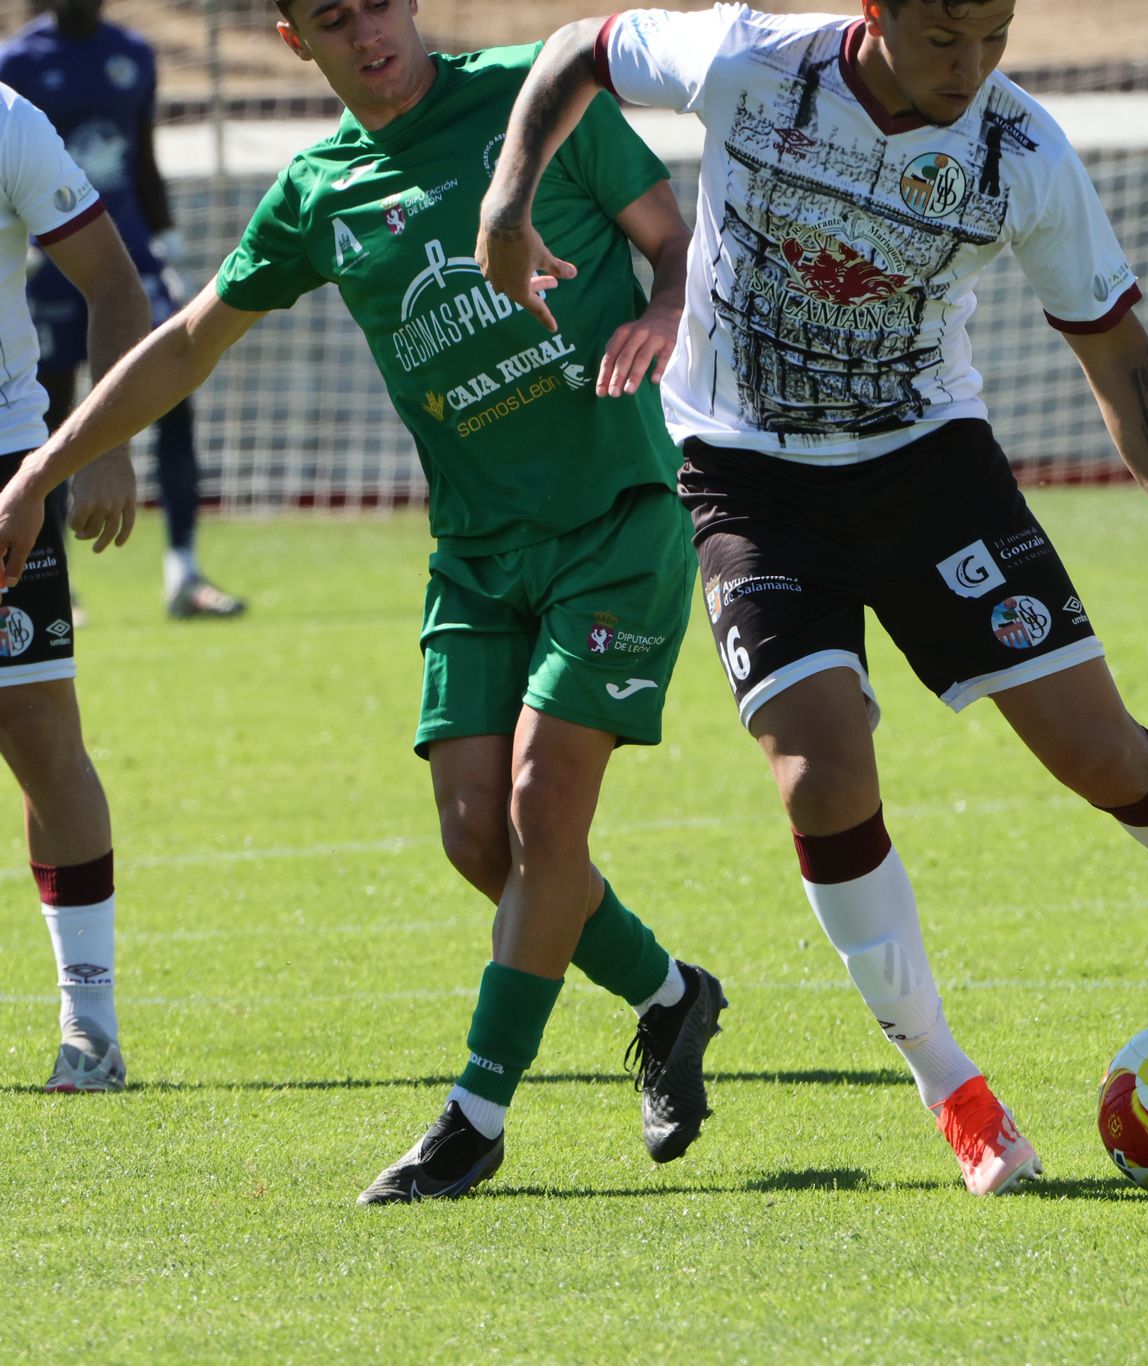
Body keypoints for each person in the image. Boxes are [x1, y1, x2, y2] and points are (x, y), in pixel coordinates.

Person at [479, 0, 1148, 1198]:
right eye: (946, 38)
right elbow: (578, 50)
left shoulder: (1020, 150)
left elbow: (1112, 347)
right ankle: (950, 1085)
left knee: (1099, 751)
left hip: (928, 470)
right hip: (750, 480)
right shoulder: (748, 62)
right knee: (820, 778)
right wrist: (507, 205)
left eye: (994, 35)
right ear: (877, 12)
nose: (972, 66)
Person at [0, 0, 723, 1204]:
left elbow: (676, 243)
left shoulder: (538, 101)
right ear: (297, 41)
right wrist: (44, 468)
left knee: (543, 813)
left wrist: (661, 311)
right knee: (476, 839)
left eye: (379, 3)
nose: (368, 33)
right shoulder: (317, 193)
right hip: (474, 554)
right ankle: (671, 994)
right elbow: (186, 342)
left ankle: (472, 1119)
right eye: (333, 19)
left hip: (616, 517)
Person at [0, 0, 244, 619]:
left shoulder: (132, 54)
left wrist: (167, 240)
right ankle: (54, 578)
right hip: (53, 266)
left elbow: (143, 158)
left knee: (170, 398)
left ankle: (184, 570)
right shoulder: (17, 62)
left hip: (126, 252)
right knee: (48, 417)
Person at [0, 82, 150, 1091]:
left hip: (4, 470)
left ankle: (89, 1026)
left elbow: (115, 287)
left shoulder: (9, 122)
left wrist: (103, 450)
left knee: (42, 739)